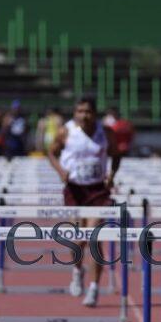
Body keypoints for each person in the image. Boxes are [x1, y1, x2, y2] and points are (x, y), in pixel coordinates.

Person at [47, 96, 122, 307]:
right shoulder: (66, 131)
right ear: (74, 113)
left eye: (87, 111)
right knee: (78, 238)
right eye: (80, 111)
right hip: (75, 189)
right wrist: (61, 171)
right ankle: (77, 270)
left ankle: (94, 288)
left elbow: (117, 154)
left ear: (94, 114)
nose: (84, 115)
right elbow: (51, 152)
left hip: (97, 190)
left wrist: (111, 174)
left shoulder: (105, 133)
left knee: (95, 237)